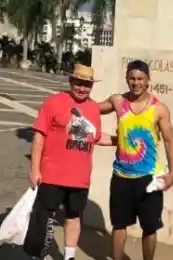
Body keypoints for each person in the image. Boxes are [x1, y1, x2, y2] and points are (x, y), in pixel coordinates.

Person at [99, 59, 173, 260]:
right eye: (132, 78)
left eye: (140, 79)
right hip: (121, 176)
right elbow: (93, 109)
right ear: (127, 79)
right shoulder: (118, 101)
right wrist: (70, 102)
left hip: (149, 177)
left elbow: (170, 141)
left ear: (148, 80)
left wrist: (172, 172)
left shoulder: (158, 109)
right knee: (119, 224)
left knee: (150, 227)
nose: (136, 83)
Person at [28, 63, 106, 260]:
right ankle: (41, 254)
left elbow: (95, 136)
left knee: (73, 217)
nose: (82, 88)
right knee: (44, 218)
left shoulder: (94, 109)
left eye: (86, 85)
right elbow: (39, 137)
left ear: (92, 87)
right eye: (78, 83)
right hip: (52, 174)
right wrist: (34, 169)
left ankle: (69, 256)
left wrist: (121, 140)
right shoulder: (53, 102)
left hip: (79, 177)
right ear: (71, 81)